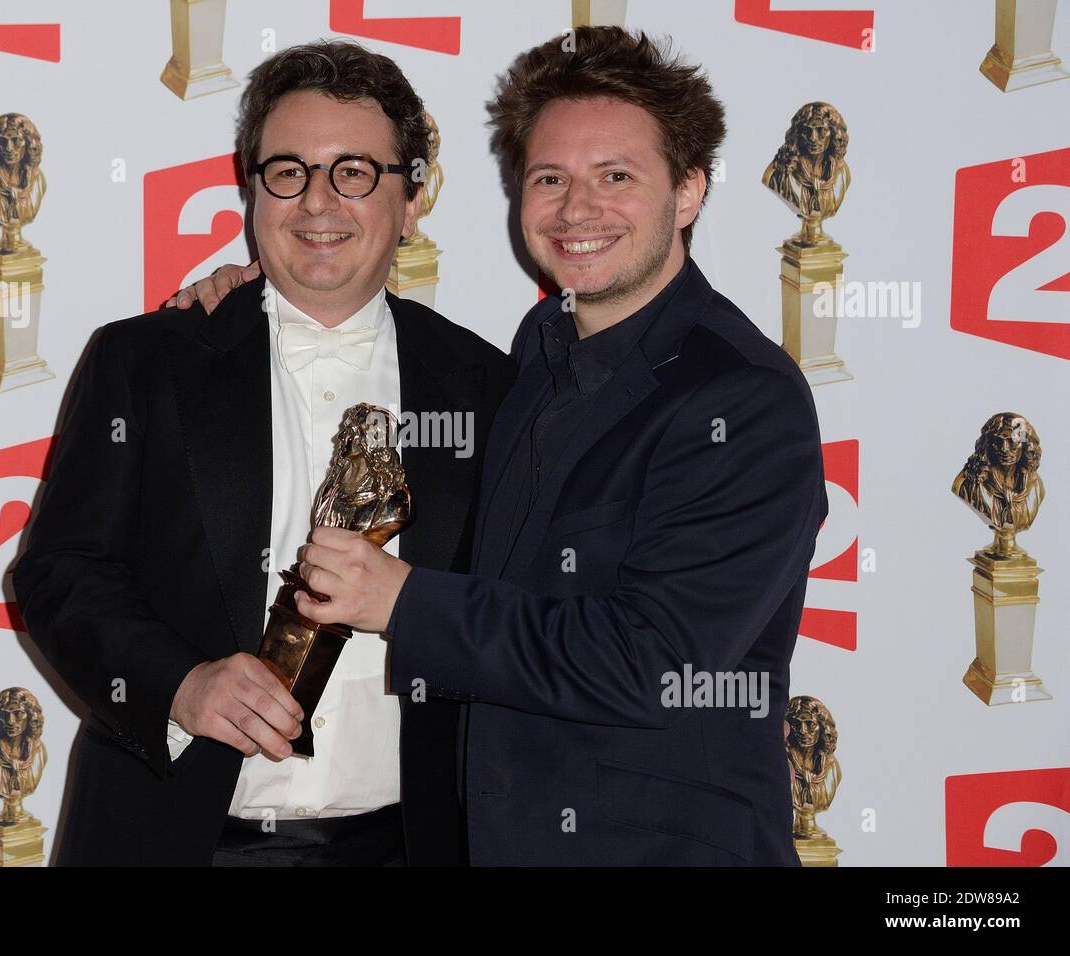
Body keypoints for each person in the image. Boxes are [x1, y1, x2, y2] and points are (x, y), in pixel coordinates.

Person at [174, 26, 829, 865]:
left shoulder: (743, 398)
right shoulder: (534, 351)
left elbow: (654, 663)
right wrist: (259, 292)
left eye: (616, 177)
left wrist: (402, 601)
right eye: (549, 178)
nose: (577, 209)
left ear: (691, 190)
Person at [12, 40, 514, 866]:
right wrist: (181, 684)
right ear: (252, 187)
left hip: (413, 843)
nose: (319, 201)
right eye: (289, 171)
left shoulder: (488, 387)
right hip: (174, 840)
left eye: (355, 171)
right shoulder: (145, 360)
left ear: (412, 197)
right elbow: (59, 574)